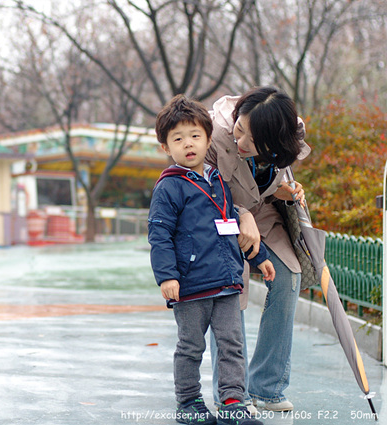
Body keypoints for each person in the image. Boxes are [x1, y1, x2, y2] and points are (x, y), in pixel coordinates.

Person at [148, 94, 275, 425]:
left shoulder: (218, 180)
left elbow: (231, 223)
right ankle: (189, 402)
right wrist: (167, 277)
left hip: (228, 280)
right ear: (166, 147)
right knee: (191, 347)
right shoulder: (169, 188)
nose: (188, 144)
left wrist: (258, 257)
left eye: (195, 136)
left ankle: (233, 403)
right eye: (178, 139)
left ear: (207, 139)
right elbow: (159, 235)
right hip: (190, 286)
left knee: (232, 345)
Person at [205, 86, 311, 412]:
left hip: (261, 212)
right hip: (218, 215)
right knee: (231, 284)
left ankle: (267, 386)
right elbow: (197, 192)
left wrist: (286, 192)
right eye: (239, 130)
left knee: (288, 275)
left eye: (251, 141)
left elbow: (268, 181)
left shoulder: (289, 133)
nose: (240, 142)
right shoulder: (210, 133)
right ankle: (233, 392)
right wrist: (240, 214)